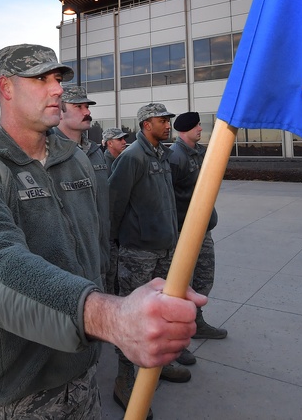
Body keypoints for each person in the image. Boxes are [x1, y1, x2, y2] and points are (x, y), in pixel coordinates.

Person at [0, 44, 205, 420]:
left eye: (58, 78)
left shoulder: (75, 159)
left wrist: (124, 302)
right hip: (8, 391)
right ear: (6, 88)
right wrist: (111, 316)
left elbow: (97, 242)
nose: (57, 89)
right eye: (41, 79)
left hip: (79, 375)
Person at [108, 102, 192, 410]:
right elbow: (113, 203)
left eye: (168, 120)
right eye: (162, 120)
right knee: (133, 317)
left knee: (165, 312)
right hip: (138, 252)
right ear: (146, 125)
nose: (168, 124)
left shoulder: (162, 154)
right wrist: (115, 245)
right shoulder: (132, 158)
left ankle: (159, 363)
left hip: (164, 249)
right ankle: (124, 378)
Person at [167, 112, 227, 367]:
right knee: (182, 286)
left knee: (204, 279)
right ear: (185, 130)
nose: (201, 128)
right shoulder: (175, 157)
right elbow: (167, 195)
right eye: (197, 125)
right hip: (184, 231)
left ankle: (196, 321)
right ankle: (175, 342)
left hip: (203, 229)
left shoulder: (200, 152)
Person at [55, 85, 112, 290]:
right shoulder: (47, 153)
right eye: (78, 106)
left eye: (87, 106)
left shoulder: (96, 151)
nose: (87, 112)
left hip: (100, 256)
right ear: (59, 112)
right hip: (66, 269)